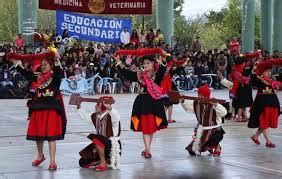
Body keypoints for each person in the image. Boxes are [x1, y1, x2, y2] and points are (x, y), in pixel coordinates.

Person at [9, 51, 66, 170]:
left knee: (51, 136)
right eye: (42, 64)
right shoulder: (36, 76)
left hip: (51, 110)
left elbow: (59, 71)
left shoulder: (55, 77)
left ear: (51, 66)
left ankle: (52, 161)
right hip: (38, 109)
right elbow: (25, 73)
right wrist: (17, 63)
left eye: (46, 64)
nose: (43, 66)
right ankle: (40, 155)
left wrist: (56, 59)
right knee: (38, 135)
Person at [116, 51, 168, 159]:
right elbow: (126, 73)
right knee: (146, 127)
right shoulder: (139, 75)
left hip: (154, 103)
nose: (145, 65)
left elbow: (163, 68)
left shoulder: (157, 74)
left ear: (153, 64)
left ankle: (147, 148)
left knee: (151, 127)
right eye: (144, 63)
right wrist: (117, 61)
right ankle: (148, 150)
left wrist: (163, 57)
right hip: (143, 103)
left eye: (148, 63)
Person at [179, 84, 227, 156]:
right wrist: (183, 101)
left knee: (216, 137)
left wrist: (216, 105)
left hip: (214, 129)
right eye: (198, 94)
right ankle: (208, 146)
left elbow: (224, 113)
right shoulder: (196, 102)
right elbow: (189, 109)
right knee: (192, 151)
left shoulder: (213, 102)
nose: (199, 96)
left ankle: (217, 147)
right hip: (202, 131)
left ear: (206, 95)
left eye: (201, 95)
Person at [77, 96, 121, 172]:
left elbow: (116, 117)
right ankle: (105, 160)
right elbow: (85, 117)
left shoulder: (111, 115)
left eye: (98, 104)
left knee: (97, 138)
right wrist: (79, 107)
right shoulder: (96, 116)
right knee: (83, 162)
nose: (95, 106)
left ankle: (103, 163)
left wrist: (109, 108)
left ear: (103, 106)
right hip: (99, 144)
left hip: (111, 145)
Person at [248, 60, 282, 148]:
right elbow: (252, 78)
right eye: (266, 71)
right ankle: (268, 141)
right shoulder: (258, 78)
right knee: (264, 121)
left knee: (264, 122)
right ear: (262, 72)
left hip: (272, 103)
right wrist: (254, 69)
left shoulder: (272, 80)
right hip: (262, 103)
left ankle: (255, 137)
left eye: (269, 71)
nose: (268, 73)